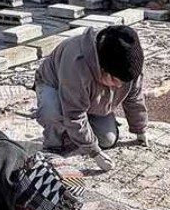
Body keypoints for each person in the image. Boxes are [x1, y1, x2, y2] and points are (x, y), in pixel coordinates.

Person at [33, 24, 147, 172]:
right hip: (54, 86)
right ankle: (53, 146)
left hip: (89, 96)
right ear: (103, 70)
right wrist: (94, 152)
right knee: (52, 112)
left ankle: (74, 132)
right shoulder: (76, 63)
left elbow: (134, 98)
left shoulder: (131, 63)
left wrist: (140, 129)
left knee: (107, 139)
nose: (119, 86)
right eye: (115, 81)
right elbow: (74, 114)